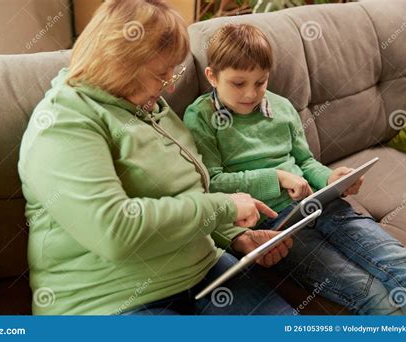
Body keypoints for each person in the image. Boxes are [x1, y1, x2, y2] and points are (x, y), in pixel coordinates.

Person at [18, 0, 295, 315]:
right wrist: (224, 207)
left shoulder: (151, 109)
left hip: (203, 272)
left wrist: (236, 236)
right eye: (162, 74)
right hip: (110, 301)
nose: (170, 84)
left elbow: (188, 196)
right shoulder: (62, 123)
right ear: (121, 62)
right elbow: (114, 231)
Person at [183, 23, 406, 315]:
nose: (251, 94)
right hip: (274, 227)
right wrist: (276, 178)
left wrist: (330, 178)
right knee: (370, 293)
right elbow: (213, 184)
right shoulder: (201, 118)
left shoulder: (281, 108)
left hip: (320, 205)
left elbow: (305, 162)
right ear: (212, 77)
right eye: (238, 83)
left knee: (402, 266)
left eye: (261, 82)